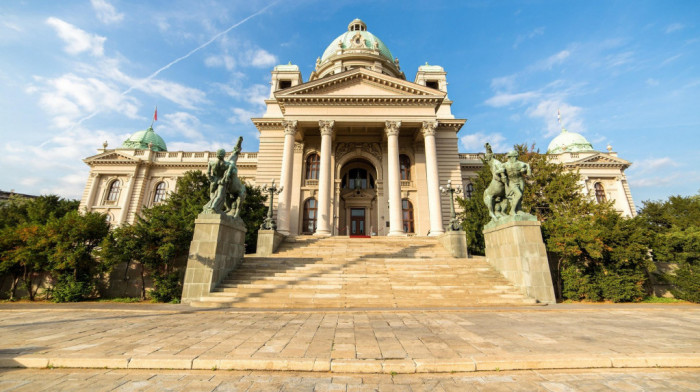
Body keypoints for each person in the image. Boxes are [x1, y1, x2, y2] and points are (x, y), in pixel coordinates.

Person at [503, 150, 531, 215]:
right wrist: (502, 174)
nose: (510, 158)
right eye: (509, 157)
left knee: (520, 197)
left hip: (520, 181)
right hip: (511, 182)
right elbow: (498, 171)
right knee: (519, 194)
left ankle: (518, 210)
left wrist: (526, 169)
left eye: (513, 157)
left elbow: (528, 174)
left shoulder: (521, 164)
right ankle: (512, 211)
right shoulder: (505, 165)